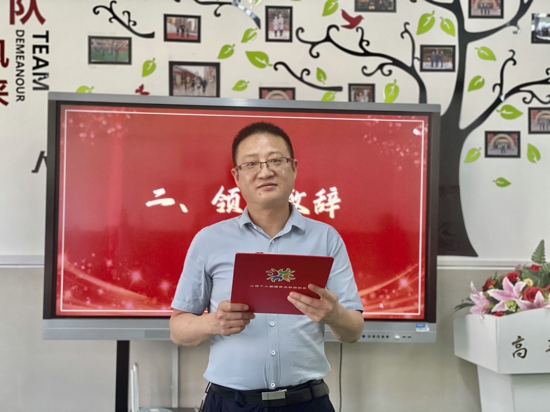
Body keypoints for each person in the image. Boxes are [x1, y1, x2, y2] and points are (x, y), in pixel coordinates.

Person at [170, 122, 364, 412]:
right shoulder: (209, 240)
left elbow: (354, 331)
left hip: (306, 403)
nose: (265, 172)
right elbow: (177, 330)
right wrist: (213, 323)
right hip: (229, 404)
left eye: (275, 160)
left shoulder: (325, 238)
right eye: (251, 163)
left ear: (293, 168)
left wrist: (334, 315)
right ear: (236, 176)